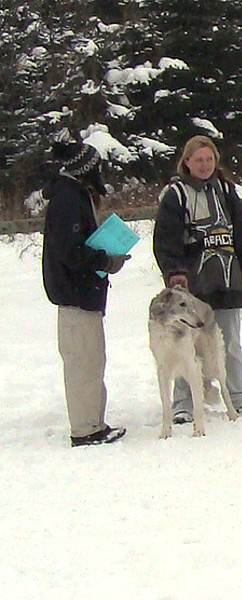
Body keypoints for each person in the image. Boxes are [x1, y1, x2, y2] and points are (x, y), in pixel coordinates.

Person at [153, 135, 242, 423]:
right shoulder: (176, 195)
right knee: (186, 342)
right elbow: (165, 238)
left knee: (228, 341)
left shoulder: (226, 191)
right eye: (199, 159)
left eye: (209, 159)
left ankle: (238, 395)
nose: (204, 165)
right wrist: (174, 270)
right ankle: (184, 402)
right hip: (192, 283)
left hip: (226, 276)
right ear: (187, 162)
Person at [42, 139, 130, 447]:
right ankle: (85, 430)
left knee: (91, 360)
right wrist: (106, 259)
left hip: (83, 294)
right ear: (86, 168)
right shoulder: (68, 199)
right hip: (75, 295)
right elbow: (71, 251)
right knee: (83, 363)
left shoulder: (73, 195)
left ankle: (93, 422)